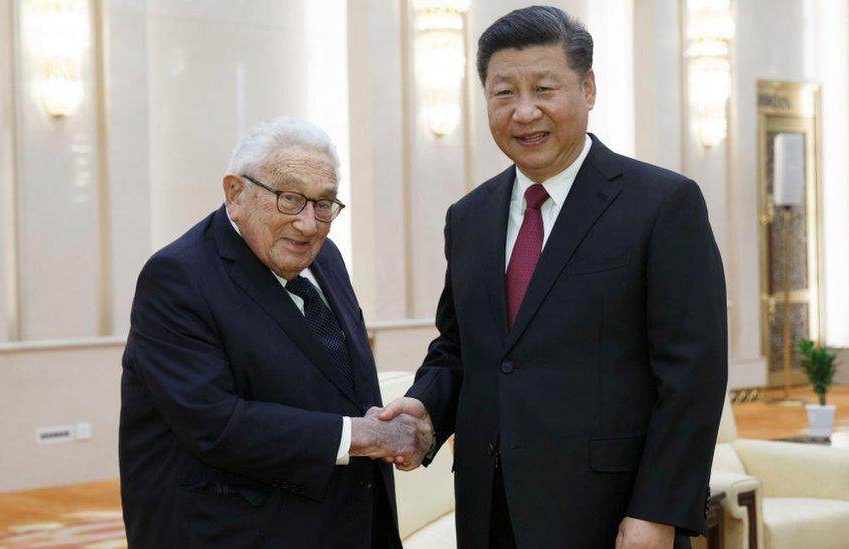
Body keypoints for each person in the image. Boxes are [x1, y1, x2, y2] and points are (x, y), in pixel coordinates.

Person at [381, 6, 728, 548]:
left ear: (588, 89)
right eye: (503, 93)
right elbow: (461, 347)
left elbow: (693, 376)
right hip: (488, 507)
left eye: (545, 88)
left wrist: (658, 512)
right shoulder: (468, 217)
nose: (524, 112)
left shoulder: (662, 204)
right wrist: (426, 407)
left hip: (610, 514)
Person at [119, 117, 430, 548]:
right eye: (289, 199)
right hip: (235, 531)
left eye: (324, 204)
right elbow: (215, 423)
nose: (308, 224)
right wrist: (362, 435)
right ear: (235, 193)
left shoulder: (326, 258)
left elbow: (338, 381)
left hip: (347, 522)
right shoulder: (178, 277)